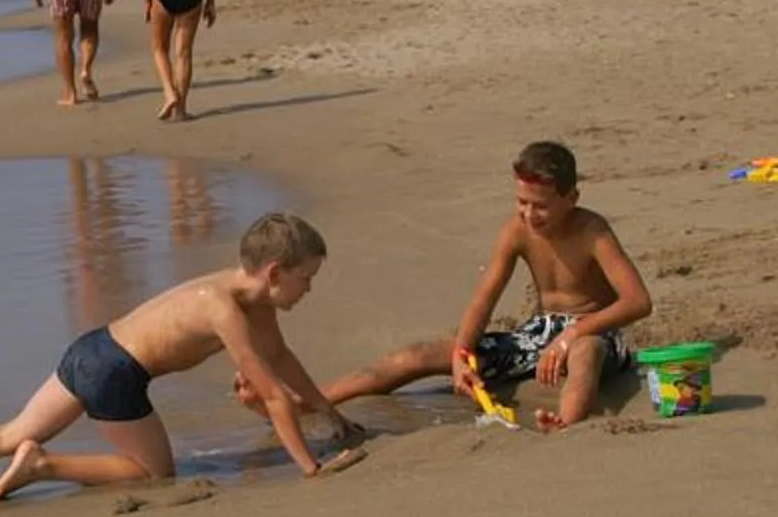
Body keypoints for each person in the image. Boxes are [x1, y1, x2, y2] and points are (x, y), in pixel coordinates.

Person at [0, 212, 358, 506]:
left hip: (91, 349)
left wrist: (327, 410)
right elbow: (271, 391)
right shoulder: (222, 308)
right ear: (275, 273)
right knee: (153, 474)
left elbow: (281, 359)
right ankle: (44, 465)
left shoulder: (248, 300)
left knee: (9, 432)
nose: (309, 289)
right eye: (306, 279)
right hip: (116, 372)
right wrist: (309, 468)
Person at [251, 140, 649, 433]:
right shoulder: (517, 231)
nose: (529, 214)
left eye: (540, 205)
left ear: (571, 198)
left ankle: (565, 423)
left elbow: (637, 301)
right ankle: (308, 402)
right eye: (521, 202)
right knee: (418, 354)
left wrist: (574, 334)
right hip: (538, 334)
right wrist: (462, 353)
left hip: (594, 331)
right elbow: (485, 297)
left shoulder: (592, 231)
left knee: (583, 355)